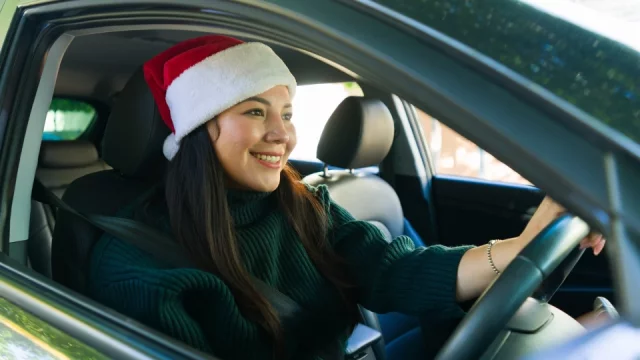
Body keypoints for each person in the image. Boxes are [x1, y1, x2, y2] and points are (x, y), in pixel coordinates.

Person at [89, 35, 607, 360]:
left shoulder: (302, 205)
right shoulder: (140, 263)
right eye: (253, 112)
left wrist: (526, 242)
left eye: (286, 113)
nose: (283, 136)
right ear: (199, 131)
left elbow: (395, 270)